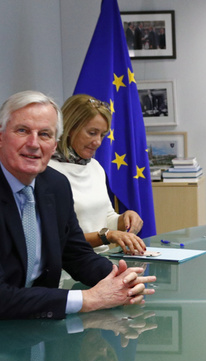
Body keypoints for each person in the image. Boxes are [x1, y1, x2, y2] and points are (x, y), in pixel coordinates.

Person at [0, 90, 156, 361]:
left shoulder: (54, 186)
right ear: (0, 135)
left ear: (54, 143)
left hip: (23, 334)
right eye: (23, 131)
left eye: (45, 135)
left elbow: (77, 255)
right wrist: (89, 299)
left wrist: (121, 280)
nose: (34, 144)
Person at [48, 94, 147, 255]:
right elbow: (58, 237)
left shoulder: (95, 167)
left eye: (102, 135)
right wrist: (106, 236)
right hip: (67, 269)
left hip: (100, 264)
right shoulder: (47, 171)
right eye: (92, 133)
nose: (98, 142)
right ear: (70, 128)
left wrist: (125, 219)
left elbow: (106, 219)